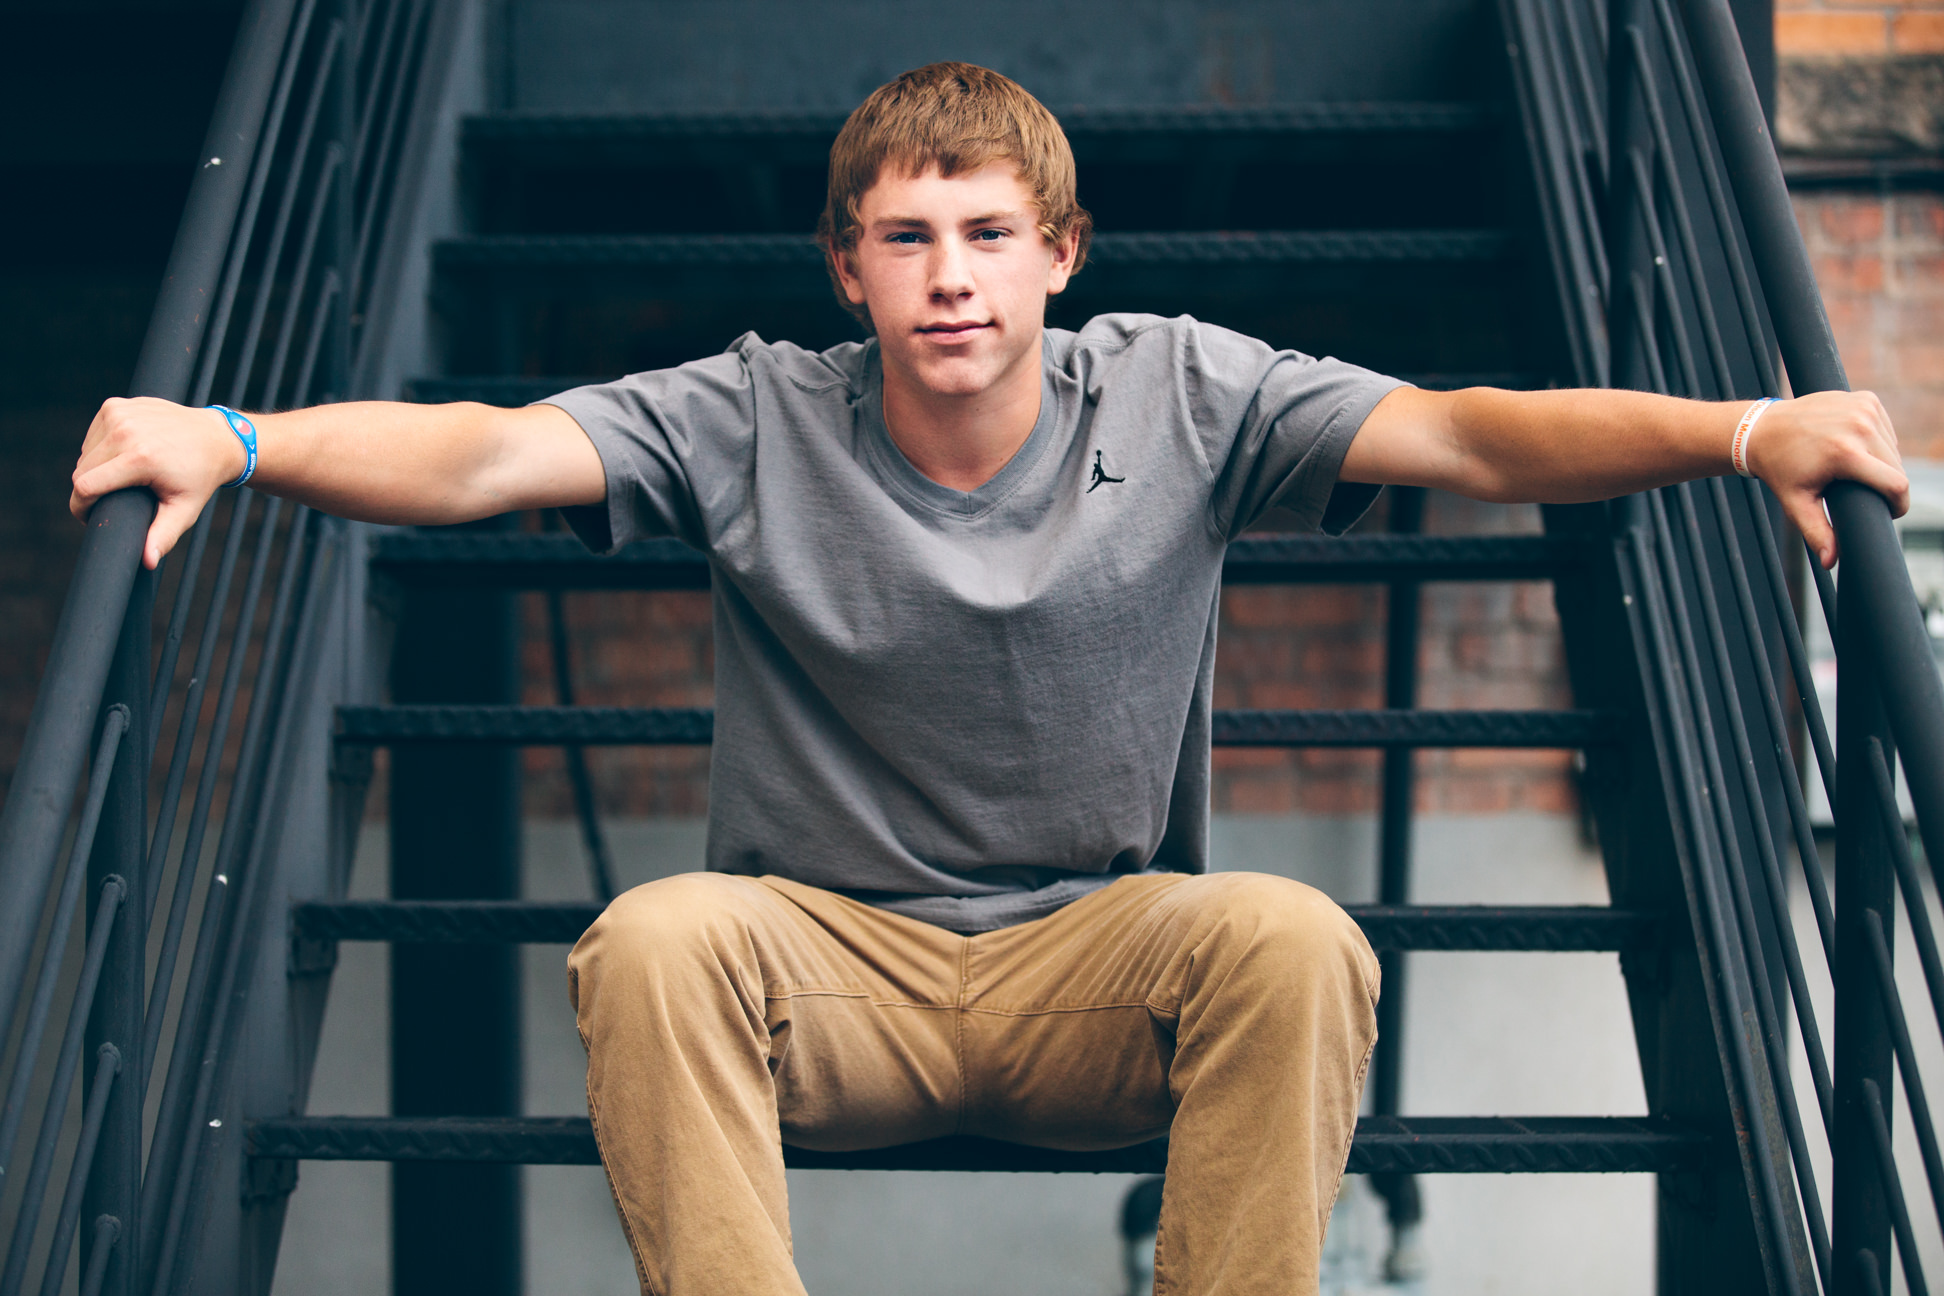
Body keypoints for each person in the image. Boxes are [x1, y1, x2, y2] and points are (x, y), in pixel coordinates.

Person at [69, 61, 1903, 1296]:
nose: (952, 279)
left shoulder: (1185, 393)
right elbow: (475, 455)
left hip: (1098, 969)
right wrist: (237, 436)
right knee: (653, 938)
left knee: (1293, 938)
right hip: (827, 972)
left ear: (1058, 255)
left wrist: (1747, 432)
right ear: (849, 267)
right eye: (908, 238)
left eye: (989, 236)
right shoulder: (747, 414)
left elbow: (1475, 433)